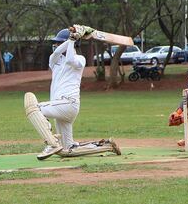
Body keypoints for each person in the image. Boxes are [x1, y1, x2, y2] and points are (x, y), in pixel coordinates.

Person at [24, 26, 121, 160]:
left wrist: (72, 40)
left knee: (35, 109)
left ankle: (51, 143)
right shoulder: (55, 61)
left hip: (69, 103)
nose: (55, 45)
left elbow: (70, 59)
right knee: (68, 149)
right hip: (60, 107)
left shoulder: (80, 59)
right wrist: (71, 39)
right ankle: (107, 146)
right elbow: (58, 52)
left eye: (58, 42)